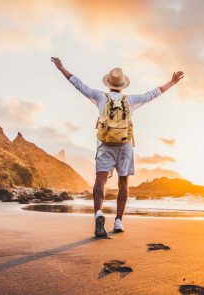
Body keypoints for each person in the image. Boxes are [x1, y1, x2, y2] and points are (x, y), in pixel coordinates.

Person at [51, 57, 184, 237]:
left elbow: (79, 85)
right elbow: (153, 94)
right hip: (124, 146)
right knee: (123, 183)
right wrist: (172, 82)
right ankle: (119, 221)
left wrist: (62, 68)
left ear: (109, 83)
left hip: (105, 145)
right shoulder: (130, 100)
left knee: (101, 180)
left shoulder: (100, 97)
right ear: (122, 85)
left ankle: (99, 213)